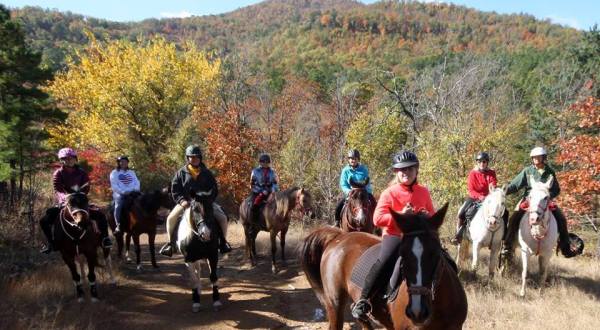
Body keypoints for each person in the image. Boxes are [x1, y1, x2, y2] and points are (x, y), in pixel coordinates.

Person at [351, 150, 435, 320]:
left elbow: (432, 216)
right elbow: (377, 219)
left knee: (443, 259)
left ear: (416, 170)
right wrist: (400, 215)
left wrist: (427, 216)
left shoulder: (423, 192)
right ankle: (363, 300)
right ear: (397, 172)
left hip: (419, 237)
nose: (406, 173)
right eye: (402, 170)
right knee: (386, 260)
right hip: (395, 236)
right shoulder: (389, 193)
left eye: (410, 169)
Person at [501, 146, 578, 259]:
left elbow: (556, 189)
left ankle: (565, 247)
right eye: (534, 157)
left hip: (545, 201)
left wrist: (547, 196)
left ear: (543, 158)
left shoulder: (550, 172)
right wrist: (502, 191)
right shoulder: (527, 171)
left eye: (539, 157)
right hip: (528, 200)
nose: (536, 159)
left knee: (561, 218)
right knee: (514, 218)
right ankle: (508, 246)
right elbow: (515, 185)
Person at [159, 145, 231, 257]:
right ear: (187, 158)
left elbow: (214, 189)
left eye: (196, 157)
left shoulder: (207, 173)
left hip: (205, 202)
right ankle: (171, 245)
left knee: (222, 218)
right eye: (191, 157)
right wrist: (182, 201)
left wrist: (208, 200)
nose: (194, 159)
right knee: (170, 219)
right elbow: (175, 190)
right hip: (186, 203)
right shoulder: (180, 173)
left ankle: (223, 243)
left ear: (200, 158)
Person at [39, 147, 112, 254]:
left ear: (75, 159)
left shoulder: (82, 172)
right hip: (65, 201)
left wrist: (81, 195)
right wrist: (67, 198)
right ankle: (51, 243)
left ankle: (105, 239)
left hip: (80, 199)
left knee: (100, 215)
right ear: (61, 160)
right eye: (66, 159)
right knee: (44, 221)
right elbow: (58, 189)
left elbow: (86, 186)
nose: (69, 160)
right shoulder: (58, 173)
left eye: (71, 158)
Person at [451, 152, 499, 245]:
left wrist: (491, 192)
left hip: (489, 198)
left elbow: (493, 184)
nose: (482, 163)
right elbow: (471, 190)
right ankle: (458, 235)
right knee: (462, 213)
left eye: (484, 161)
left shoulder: (491, 173)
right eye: (479, 161)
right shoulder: (473, 173)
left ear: (487, 163)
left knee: (503, 212)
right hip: (474, 197)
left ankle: (503, 238)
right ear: (477, 162)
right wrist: (480, 197)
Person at [334, 149, 376, 227]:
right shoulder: (345, 170)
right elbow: (343, 184)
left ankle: (376, 224)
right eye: (350, 158)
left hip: (363, 192)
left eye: (354, 158)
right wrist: (349, 192)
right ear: (348, 160)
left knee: (374, 202)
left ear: (358, 159)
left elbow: (367, 182)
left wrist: (367, 192)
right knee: (339, 206)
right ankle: (337, 222)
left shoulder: (364, 169)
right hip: (351, 192)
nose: (352, 160)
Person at [109, 155, 140, 234]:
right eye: (121, 162)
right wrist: (123, 192)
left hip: (133, 192)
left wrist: (135, 189)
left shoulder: (131, 172)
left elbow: (137, 182)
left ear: (127, 163)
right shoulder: (114, 173)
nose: (123, 163)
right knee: (118, 204)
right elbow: (114, 185)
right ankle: (118, 224)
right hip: (120, 193)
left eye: (125, 162)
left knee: (144, 199)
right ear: (118, 163)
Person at [249, 154, 279, 225]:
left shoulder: (273, 172)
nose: (265, 164)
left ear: (269, 162)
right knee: (253, 205)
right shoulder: (255, 171)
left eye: (267, 162)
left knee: (279, 204)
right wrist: (261, 191)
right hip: (257, 191)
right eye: (263, 162)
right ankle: (253, 223)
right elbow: (252, 184)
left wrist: (272, 190)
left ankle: (277, 222)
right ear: (260, 162)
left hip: (270, 191)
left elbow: (275, 183)